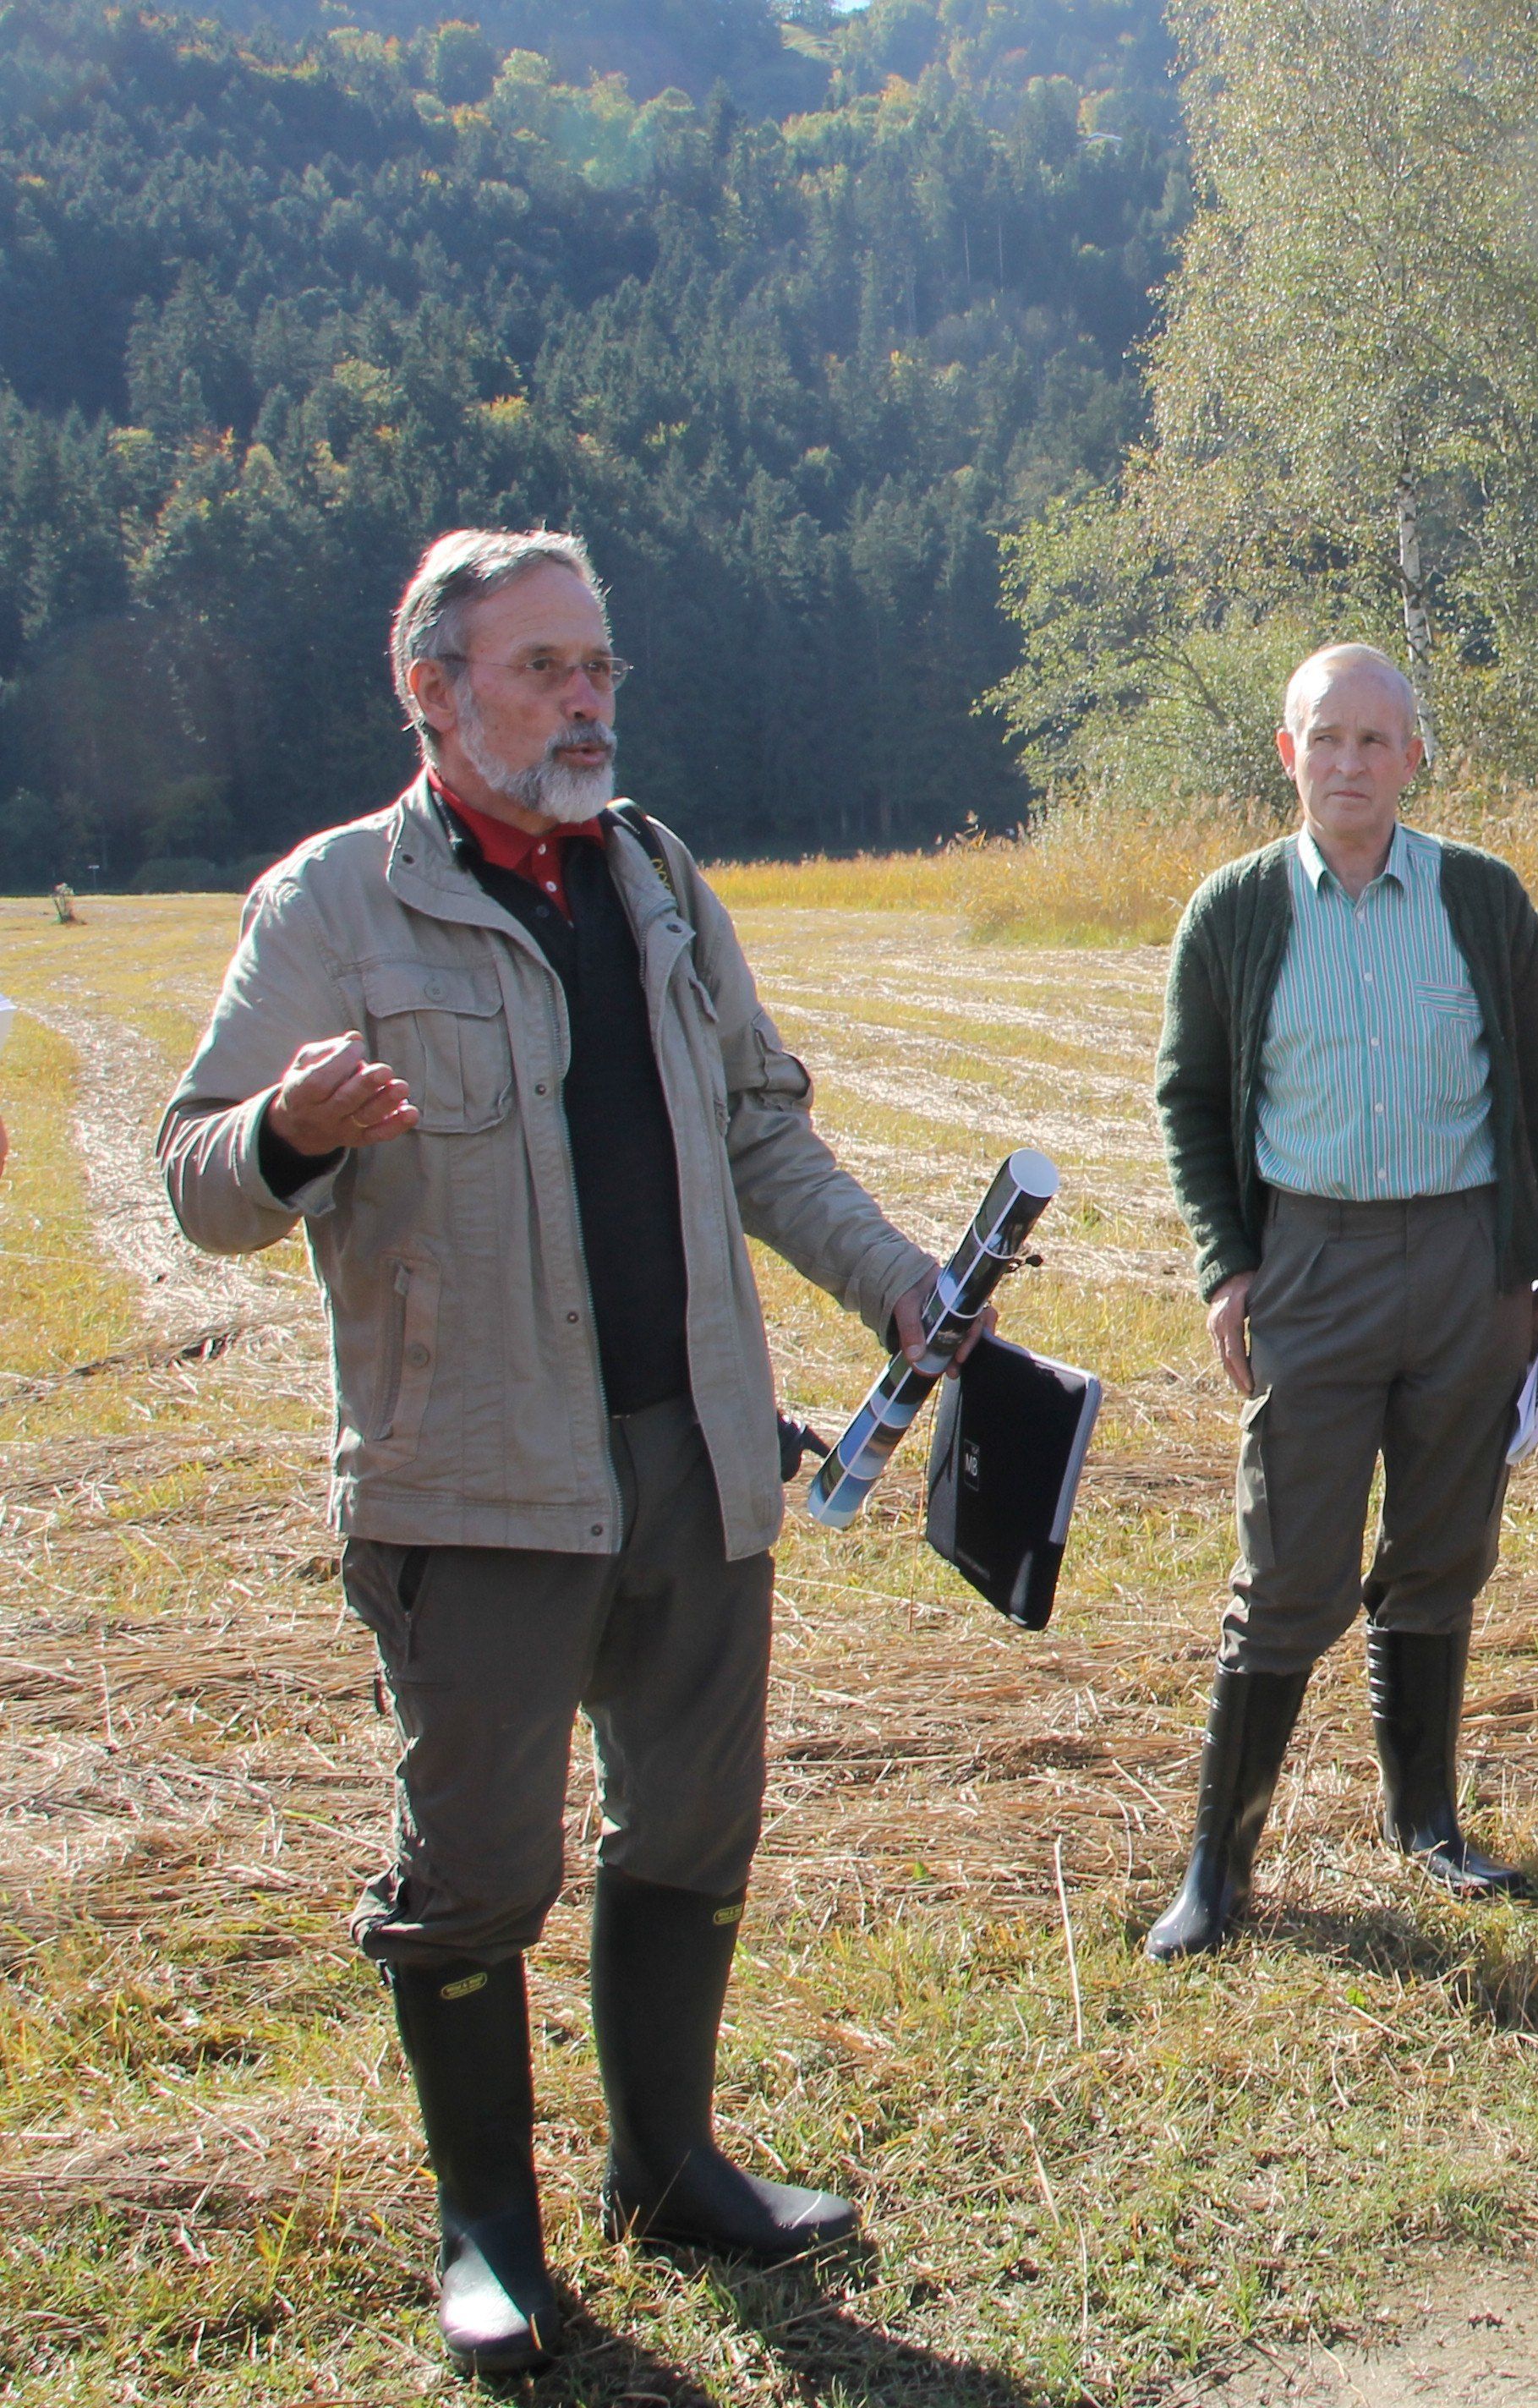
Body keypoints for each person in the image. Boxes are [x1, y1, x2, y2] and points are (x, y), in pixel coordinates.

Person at [159, 528, 972, 2374]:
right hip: (472, 1480)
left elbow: (761, 1128)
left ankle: (670, 2170)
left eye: (600, 666)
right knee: (473, 1871)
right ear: (432, 692)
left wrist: (896, 1282)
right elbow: (196, 1180)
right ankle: (490, 2240)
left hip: (696, 1451)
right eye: (543, 668)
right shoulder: (332, 904)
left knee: (691, 1821)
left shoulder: (660, 879)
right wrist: (289, 1130)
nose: (588, 700)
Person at [1147, 643, 1538, 1958]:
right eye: (1325, 739)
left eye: (1374, 741)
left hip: (1470, 1264)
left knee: (1443, 1550)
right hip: (1313, 1263)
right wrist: (1227, 1264)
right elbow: (1190, 1101)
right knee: (1290, 1566)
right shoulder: (1234, 911)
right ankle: (1218, 1876)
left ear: (1412, 757)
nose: (1349, 764)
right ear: (1287, 754)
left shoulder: (1482, 898)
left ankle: (1426, 1826)